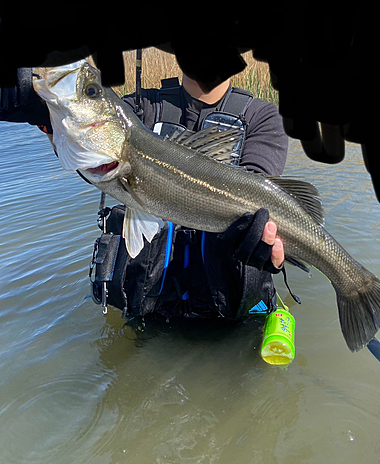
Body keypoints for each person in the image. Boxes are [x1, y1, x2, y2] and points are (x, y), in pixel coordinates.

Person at [0, 54, 289, 322]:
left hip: (231, 321)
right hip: (148, 316)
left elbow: (258, 191)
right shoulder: (138, 108)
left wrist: (259, 240)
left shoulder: (263, 118)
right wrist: (48, 118)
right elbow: (93, 159)